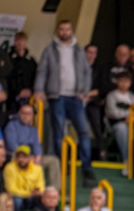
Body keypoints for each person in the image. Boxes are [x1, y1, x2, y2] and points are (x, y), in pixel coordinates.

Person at [33, 20, 95, 185]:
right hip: (57, 96)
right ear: (57, 31)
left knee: (84, 132)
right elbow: (42, 71)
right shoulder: (49, 50)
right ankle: (62, 165)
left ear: (71, 31)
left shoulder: (79, 50)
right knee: (59, 134)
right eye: (62, 29)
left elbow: (87, 71)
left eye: (67, 29)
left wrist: (85, 92)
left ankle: (87, 169)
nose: (65, 32)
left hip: (75, 97)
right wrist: (38, 89)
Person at [4, 146, 45, 210]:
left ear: (30, 158)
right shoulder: (10, 168)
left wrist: (38, 191)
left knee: (42, 199)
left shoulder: (37, 169)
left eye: (24, 157)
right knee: (17, 200)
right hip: (18, 196)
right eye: (18, 157)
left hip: (32, 198)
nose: (21, 159)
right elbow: (11, 189)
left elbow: (40, 185)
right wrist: (29, 194)